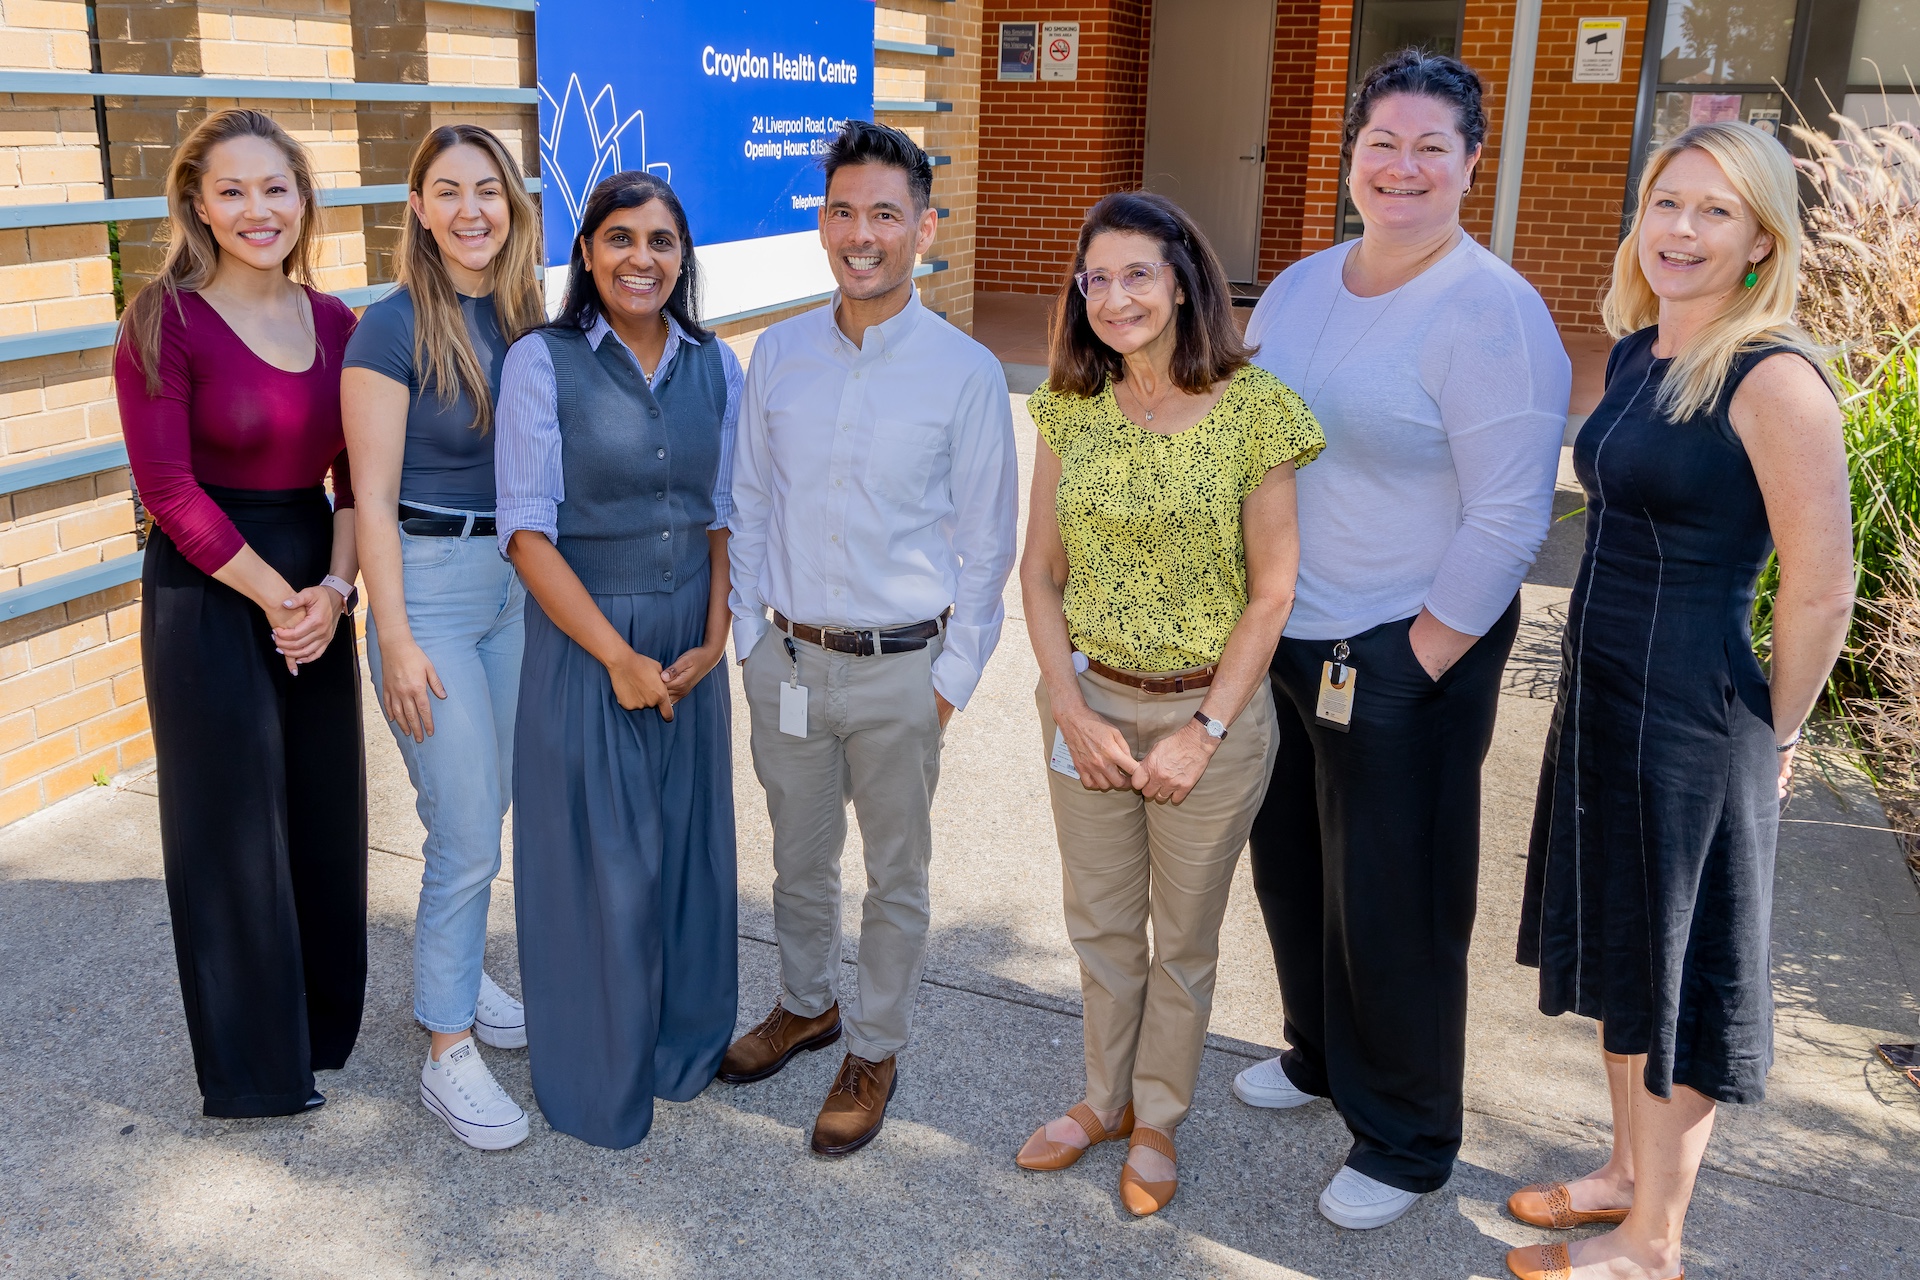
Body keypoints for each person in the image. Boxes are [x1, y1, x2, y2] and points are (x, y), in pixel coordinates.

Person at [1505, 122, 1852, 1280]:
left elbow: (1821, 589)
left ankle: (1654, 1240)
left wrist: (1781, 730)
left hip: (1695, 719)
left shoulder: (1777, 378)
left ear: (1763, 240)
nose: (1682, 231)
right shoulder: (1643, 353)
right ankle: (1621, 1174)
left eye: (1715, 212)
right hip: (1601, 694)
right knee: (1620, 947)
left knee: (1679, 974)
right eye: (1668, 203)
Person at [1235, 49, 1572, 1228]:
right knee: (1293, 870)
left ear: (1472, 164)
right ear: (1351, 157)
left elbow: (1512, 510)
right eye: (1385, 142)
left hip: (1404, 649)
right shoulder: (1299, 284)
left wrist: (1418, 652)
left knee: (1396, 897)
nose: (1405, 165)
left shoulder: (1493, 312)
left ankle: (1409, 1134)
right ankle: (1320, 1053)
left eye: (1434, 146)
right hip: (1287, 636)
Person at [1013, 193, 1323, 1216]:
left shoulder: (1253, 406)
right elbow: (1039, 572)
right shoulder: (1068, 407)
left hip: (1210, 719)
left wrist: (1204, 729)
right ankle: (1101, 1098)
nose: (1113, 296)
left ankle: (1157, 1117)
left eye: (1137, 273)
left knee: (1182, 938)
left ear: (1185, 278)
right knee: (1101, 926)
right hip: (1092, 703)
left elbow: (1273, 588)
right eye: (1094, 277)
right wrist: (1068, 704)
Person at [722, 119, 1019, 1156]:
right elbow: (749, 497)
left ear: (923, 227)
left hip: (903, 671)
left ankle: (876, 1044)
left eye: (885, 214)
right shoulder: (780, 357)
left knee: (897, 874)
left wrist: (951, 678)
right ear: (822, 222)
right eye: (843, 211)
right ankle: (806, 1004)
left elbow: (990, 544)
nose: (862, 233)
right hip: (789, 660)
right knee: (798, 861)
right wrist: (746, 639)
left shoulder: (966, 372)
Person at [115, 108, 366, 1118]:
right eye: (233, 190)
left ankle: (320, 1026)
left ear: (304, 198)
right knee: (231, 828)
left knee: (319, 807)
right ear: (199, 206)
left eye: (276, 187)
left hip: (316, 572)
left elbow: (357, 482)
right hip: (210, 585)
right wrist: (279, 599)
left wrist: (334, 595)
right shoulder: (161, 322)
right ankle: (254, 1070)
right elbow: (168, 491)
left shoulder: (341, 321)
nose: (258, 209)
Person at [494, 170, 743, 1149]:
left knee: (685, 850)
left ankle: (682, 1046)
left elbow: (726, 512)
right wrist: (617, 657)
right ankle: (597, 1076)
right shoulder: (540, 363)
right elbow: (524, 533)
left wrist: (716, 634)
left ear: (683, 259)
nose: (642, 258)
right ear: (587, 253)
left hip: (691, 632)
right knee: (599, 863)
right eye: (621, 239)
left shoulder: (718, 365)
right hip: (585, 636)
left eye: (662, 241)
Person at [342, 124, 544, 1150]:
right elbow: (369, 499)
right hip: (430, 587)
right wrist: (399, 638)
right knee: (463, 824)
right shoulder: (388, 329)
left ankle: (462, 974)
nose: (472, 208)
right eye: (448, 190)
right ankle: (445, 1047)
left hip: (513, 587)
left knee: (490, 806)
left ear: (511, 205)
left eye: (488, 190)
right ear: (418, 208)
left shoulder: (523, 317)